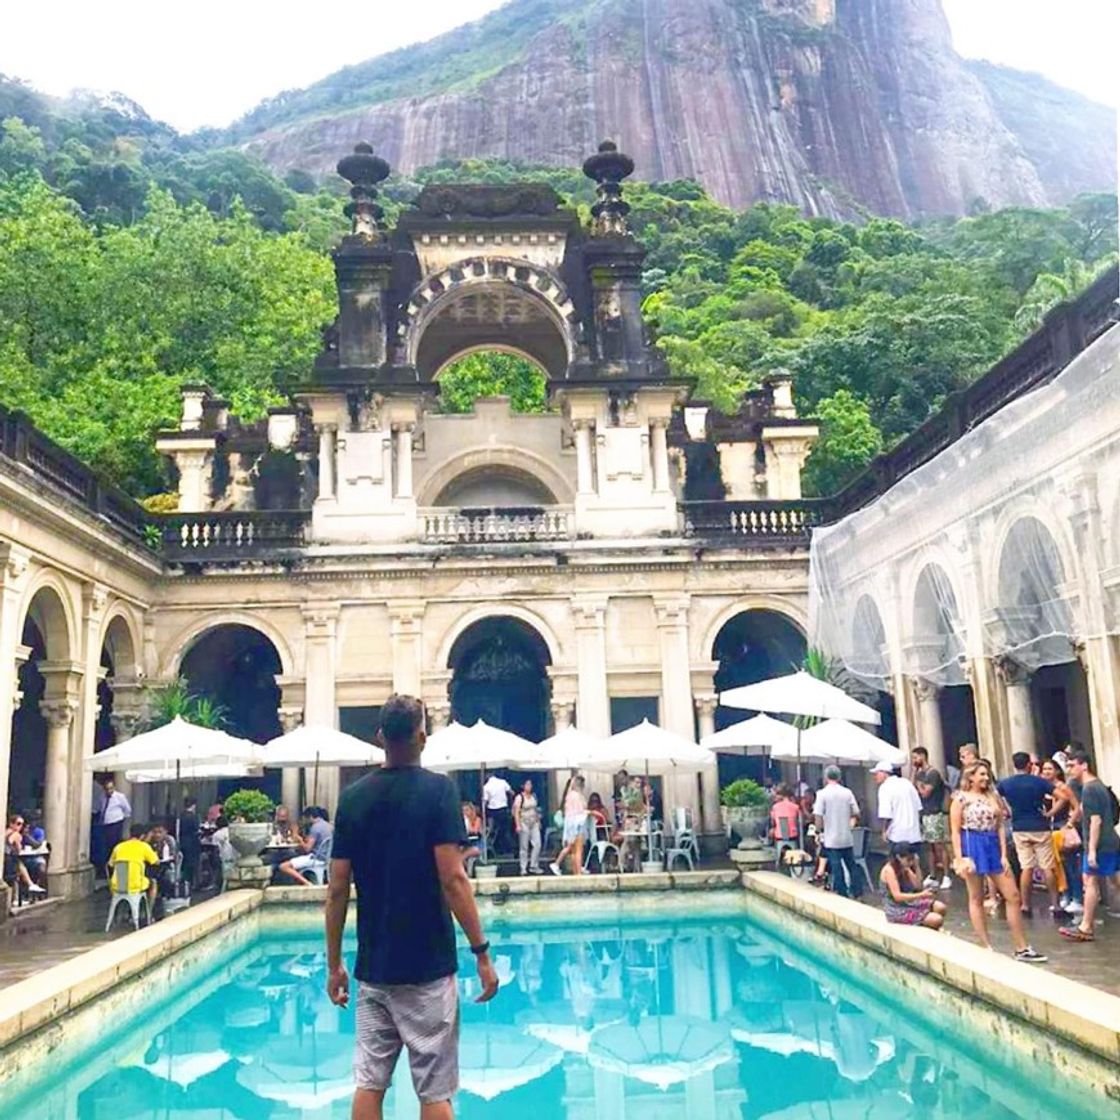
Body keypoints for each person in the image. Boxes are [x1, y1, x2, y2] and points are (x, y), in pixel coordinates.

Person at [326, 694, 497, 1120]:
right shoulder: (439, 792)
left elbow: (337, 887)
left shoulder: (352, 799)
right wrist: (481, 953)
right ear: (424, 736)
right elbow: (453, 878)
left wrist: (334, 964)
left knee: (369, 1083)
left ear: (381, 736)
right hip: (428, 967)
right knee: (434, 1091)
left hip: (374, 968)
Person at [949, 761, 1047, 962]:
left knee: (1012, 895)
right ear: (971, 777)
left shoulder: (993, 796)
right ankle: (985, 944)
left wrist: (1003, 854)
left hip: (992, 843)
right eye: (982, 774)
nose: (986, 778)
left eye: (987, 774)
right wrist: (959, 858)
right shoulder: (960, 799)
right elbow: (955, 831)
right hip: (973, 843)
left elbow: (1001, 826)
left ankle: (1021, 946)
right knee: (976, 896)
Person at [1059, 749, 1120, 943]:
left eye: (1072, 765)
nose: (1069, 770)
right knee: (1114, 879)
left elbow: (1096, 820)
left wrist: (1091, 850)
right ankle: (1086, 925)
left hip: (1100, 843)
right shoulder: (1097, 786)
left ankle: (1086, 925)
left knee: (1091, 882)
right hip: (1108, 841)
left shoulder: (1090, 789)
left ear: (1084, 765)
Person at [997, 751, 1065, 918]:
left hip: (1019, 826)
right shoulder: (1039, 782)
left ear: (1015, 765)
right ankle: (1055, 905)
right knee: (1047, 866)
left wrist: (1005, 809)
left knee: (1026, 867)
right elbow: (1062, 797)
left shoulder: (1006, 783)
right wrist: (1050, 813)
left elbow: (994, 796)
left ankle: (1025, 905)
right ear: (1029, 765)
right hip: (1040, 825)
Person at [812, 766, 864, 898]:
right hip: (846, 836)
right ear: (839, 777)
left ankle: (842, 893)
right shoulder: (847, 792)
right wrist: (851, 823)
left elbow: (818, 816)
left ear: (826, 777)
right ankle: (857, 891)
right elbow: (856, 812)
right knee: (851, 865)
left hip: (831, 837)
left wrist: (818, 831)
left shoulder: (822, 794)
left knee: (836, 867)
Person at [1041, 757, 1083, 915]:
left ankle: (1077, 898)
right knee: (1057, 867)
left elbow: (1076, 806)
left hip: (1061, 827)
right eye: (1044, 769)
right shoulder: (1042, 788)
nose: (1046, 772)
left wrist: (1070, 823)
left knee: (1070, 865)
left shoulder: (1063, 788)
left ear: (1057, 771)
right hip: (1049, 829)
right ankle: (1065, 895)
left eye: (1049, 769)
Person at [880, 844, 947, 929]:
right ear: (899, 857)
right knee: (937, 920)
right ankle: (925, 923)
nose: (910, 862)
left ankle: (926, 922)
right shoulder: (889, 870)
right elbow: (897, 896)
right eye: (908, 860)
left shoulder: (904, 868)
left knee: (940, 907)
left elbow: (918, 885)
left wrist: (916, 866)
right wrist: (921, 895)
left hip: (908, 903)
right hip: (896, 909)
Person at [911, 747, 951, 889]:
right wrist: (915, 776)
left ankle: (946, 875)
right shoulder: (920, 774)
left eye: (916, 757)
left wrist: (919, 784)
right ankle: (933, 875)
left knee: (939, 844)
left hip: (934, 812)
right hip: (924, 813)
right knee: (929, 846)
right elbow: (913, 789)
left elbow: (925, 793)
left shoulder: (933, 774)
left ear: (923, 756)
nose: (914, 761)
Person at [872, 761, 922, 853]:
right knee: (914, 862)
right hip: (914, 834)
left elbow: (886, 814)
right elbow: (918, 807)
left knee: (897, 865)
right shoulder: (907, 783)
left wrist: (884, 831)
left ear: (884, 773)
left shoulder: (884, 788)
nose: (874, 777)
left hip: (897, 835)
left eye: (876, 774)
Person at [107, 822, 159, 911]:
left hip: (118, 885)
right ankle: (148, 912)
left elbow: (110, 864)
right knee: (153, 883)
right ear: (142, 836)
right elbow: (156, 862)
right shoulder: (144, 846)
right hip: (136, 885)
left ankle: (123, 911)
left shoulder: (119, 847)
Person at [279, 806, 333, 886]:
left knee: (283, 866)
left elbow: (307, 848)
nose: (305, 821)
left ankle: (307, 883)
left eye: (305, 818)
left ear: (310, 817)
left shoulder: (315, 828)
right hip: (328, 859)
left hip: (316, 858)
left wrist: (299, 839)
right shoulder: (330, 826)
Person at [551, 775, 588, 876]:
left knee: (573, 850)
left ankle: (576, 871)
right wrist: (591, 812)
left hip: (570, 825)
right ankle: (578, 872)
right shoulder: (577, 796)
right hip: (578, 824)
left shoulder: (569, 796)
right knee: (578, 850)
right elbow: (580, 811)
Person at [4, 813, 45, 901]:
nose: (20, 826)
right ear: (11, 824)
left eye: (22, 824)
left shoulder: (5, 832)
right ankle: (29, 886)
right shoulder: (16, 835)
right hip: (10, 862)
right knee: (20, 866)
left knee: (20, 865)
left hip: (8, 860)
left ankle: (29, 885)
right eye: (18, 824)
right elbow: (18, 849)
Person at [513, 778, 543, 876]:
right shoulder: (519, 797)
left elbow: (536, 810)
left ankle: (533, 865)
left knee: (537, 843)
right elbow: (516, 812)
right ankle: (523, 868)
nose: (529, 787)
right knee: (524, 846)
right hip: (524, 822)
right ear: (523, 786)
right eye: (527, 784)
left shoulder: (533, 796)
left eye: (530, 785)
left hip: (534, 822)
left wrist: (538, 821)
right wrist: (517, 825)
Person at [482, 771, 514, 855]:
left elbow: (485, 801)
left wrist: (483, 812)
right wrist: (510, 804)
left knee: (493, 830)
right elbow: (512, 792)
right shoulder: (502, 782)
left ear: (487, 776)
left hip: (493, 811)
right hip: (503, 809)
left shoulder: (486, 787)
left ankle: (498, 849)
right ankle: (509, 850)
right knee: (505, 830)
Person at [99, 778, 132, 854]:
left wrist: (121, 818)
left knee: (114, 843)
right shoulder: (103, 797)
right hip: (106, 823)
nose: (109, 791)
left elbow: (127, 809)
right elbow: (102, 807)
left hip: (116, 822)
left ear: (114, 787)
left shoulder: (120, 797)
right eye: (107, 789)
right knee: (106, 844)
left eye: (111, 788)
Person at [177, 797, 201, 891]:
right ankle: (191, 884)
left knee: (184, 863)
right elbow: (196, 829)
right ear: (193, 805)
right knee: (192, 864)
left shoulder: (180, 816)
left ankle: (184, 882)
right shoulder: (194, 817)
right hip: (192, 842)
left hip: (183, 841)